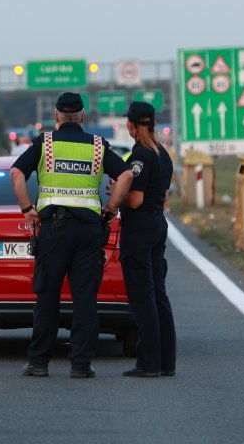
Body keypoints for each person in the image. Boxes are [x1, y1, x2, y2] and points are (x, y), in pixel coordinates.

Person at [11, 92, 133, 378]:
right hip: (89, 232)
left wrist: (27, 208)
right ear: (81, 117)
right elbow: (126, 174)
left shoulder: (45, 144)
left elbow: (17, 173)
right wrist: (111, 208)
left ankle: (39, 362)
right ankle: (80, 364)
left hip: (53, 230)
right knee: (85, 298)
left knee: (48, 297)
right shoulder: (98, 146)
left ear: (56, 116)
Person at [115, 101, 176, 378]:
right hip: (158, 224)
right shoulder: (163, 154)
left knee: (142, 296)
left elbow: (136, 199)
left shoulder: (139, 156)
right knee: (159, 295)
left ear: (131, 125)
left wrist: (116, 191)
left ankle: (148, 362)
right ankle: (166, 361)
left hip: (139, 228)